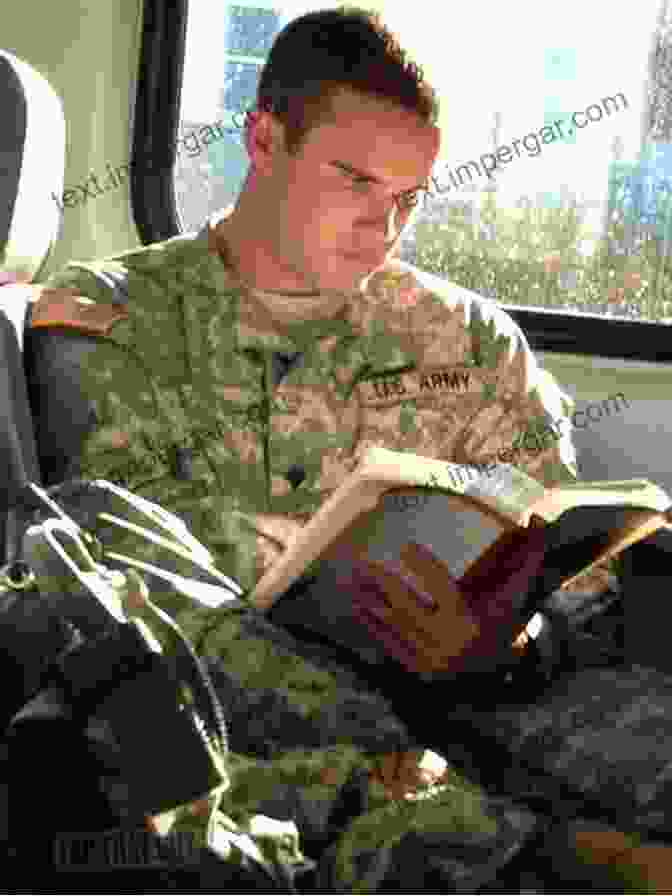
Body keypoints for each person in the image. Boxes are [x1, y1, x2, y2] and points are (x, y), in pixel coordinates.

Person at [21, 5, 584, 889]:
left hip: (482, 686)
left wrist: (514, 643)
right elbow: (128, 562)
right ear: (263, 139)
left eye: (408, 199)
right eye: (354, 182)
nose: (383, 227)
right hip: (247, 705)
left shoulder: (472, 340)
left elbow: (567, 550)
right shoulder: (109, 319)